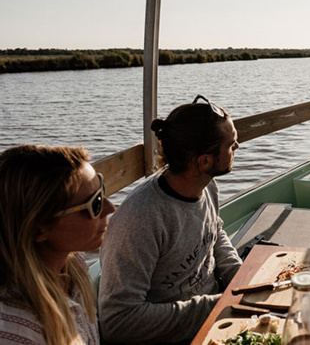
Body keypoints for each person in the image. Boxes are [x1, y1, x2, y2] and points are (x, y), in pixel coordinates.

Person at [98, 95, 243, 344]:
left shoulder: (207, 185)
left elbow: (214, 229)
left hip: (217, 312)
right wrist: (221, 304)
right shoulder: (141, 220)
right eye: (231, 144)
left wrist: (239, 277)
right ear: (204, 161)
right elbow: (118, 322)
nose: (237, 147)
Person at [0, 144, 116, 345]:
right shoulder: (18, 332)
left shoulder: (72, 266)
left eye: (102, 189)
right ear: (40, 227)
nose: (109, 207)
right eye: (94, 203)